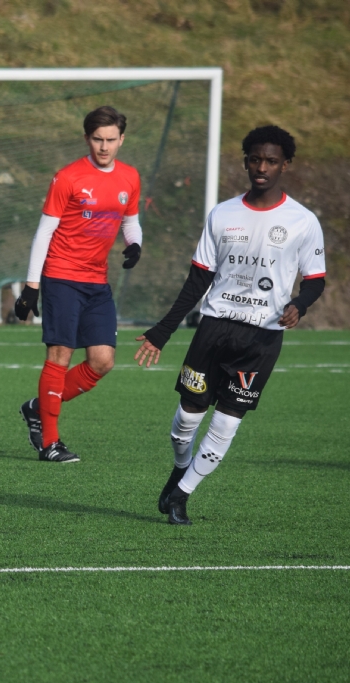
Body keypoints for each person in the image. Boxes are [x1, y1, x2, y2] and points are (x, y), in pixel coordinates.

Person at [135, 125, 325, 525]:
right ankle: (180, 469)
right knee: (187, 418)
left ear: (285, 165)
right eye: (255, 159)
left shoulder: (303, 221)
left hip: (262, 338)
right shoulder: (222, 214)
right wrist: (163, 331)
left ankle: (182, 495)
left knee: (226, 422)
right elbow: (197, 280)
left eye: (271, 161)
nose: (262, 167)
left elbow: (315, 280)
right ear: (245, 162)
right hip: (214, 328)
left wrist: (299, 305)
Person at [15, 106, 143, 463]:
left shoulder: (130, 177)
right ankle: (49, 443)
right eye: (97, 139)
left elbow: (130, 221)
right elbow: (44, 232)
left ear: (122, 139)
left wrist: (134, 244)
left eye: (111, 140)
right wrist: (32, 286)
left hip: (97, 282)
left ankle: (37, 409)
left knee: (102, 361)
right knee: (60, 355)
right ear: (87, 138)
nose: (104, 147)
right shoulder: (68, 177)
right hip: (61, 277)